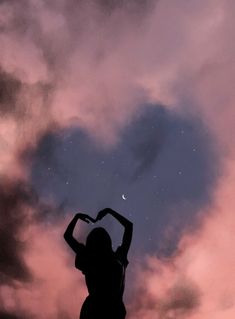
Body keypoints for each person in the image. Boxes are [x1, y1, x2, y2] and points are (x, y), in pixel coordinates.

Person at [64, 208, 133, 319]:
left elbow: (67, 236)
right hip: (112, 310)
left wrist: (76, 217)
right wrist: (109, 211)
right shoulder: (118, 258)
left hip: (93, 310)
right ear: (108, 241)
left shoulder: (89, 258)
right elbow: (129, 227)